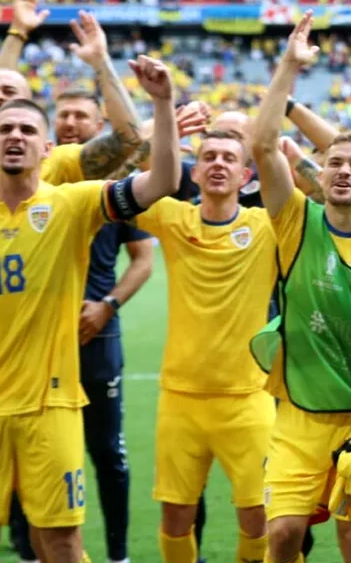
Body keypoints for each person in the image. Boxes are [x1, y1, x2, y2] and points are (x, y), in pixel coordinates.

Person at [0, 56, 181, 563]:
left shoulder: (74, 203)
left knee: (61, 543)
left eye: (27, 129)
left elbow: (160, 182)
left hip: (51, 407)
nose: (15, 136)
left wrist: (163, 104)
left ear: (47, 146)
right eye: (5, 128)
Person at [251, 12, 351, 563]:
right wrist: (290, 68)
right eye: (334, 162)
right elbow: (264, 144)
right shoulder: (296, 221)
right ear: (318, 174)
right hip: (298, 415)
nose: (343, 171)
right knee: (282, 536)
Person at [8, 90, 159, 563]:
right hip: (34, 341)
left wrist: (108, 306)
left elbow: (143, 260)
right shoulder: (34, 184)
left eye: (82, 115)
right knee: (22, 451)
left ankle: (117, 554)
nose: (71, 121)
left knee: (107, 453)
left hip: (95, 336)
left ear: (99, 125)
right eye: (64, 114)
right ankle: (28, 551)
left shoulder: (114, 187)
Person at [130, 127, 283, 563]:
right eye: (209, 157)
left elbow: (318, 198)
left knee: (258, 515)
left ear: (246, 175)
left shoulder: (266, 226)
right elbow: (120, 183)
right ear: (193, 173)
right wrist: (160, 130)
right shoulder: (172, 217)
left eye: (228, 158)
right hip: (180, 399)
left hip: (247, 399)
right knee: (176, 517)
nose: (218, 163)